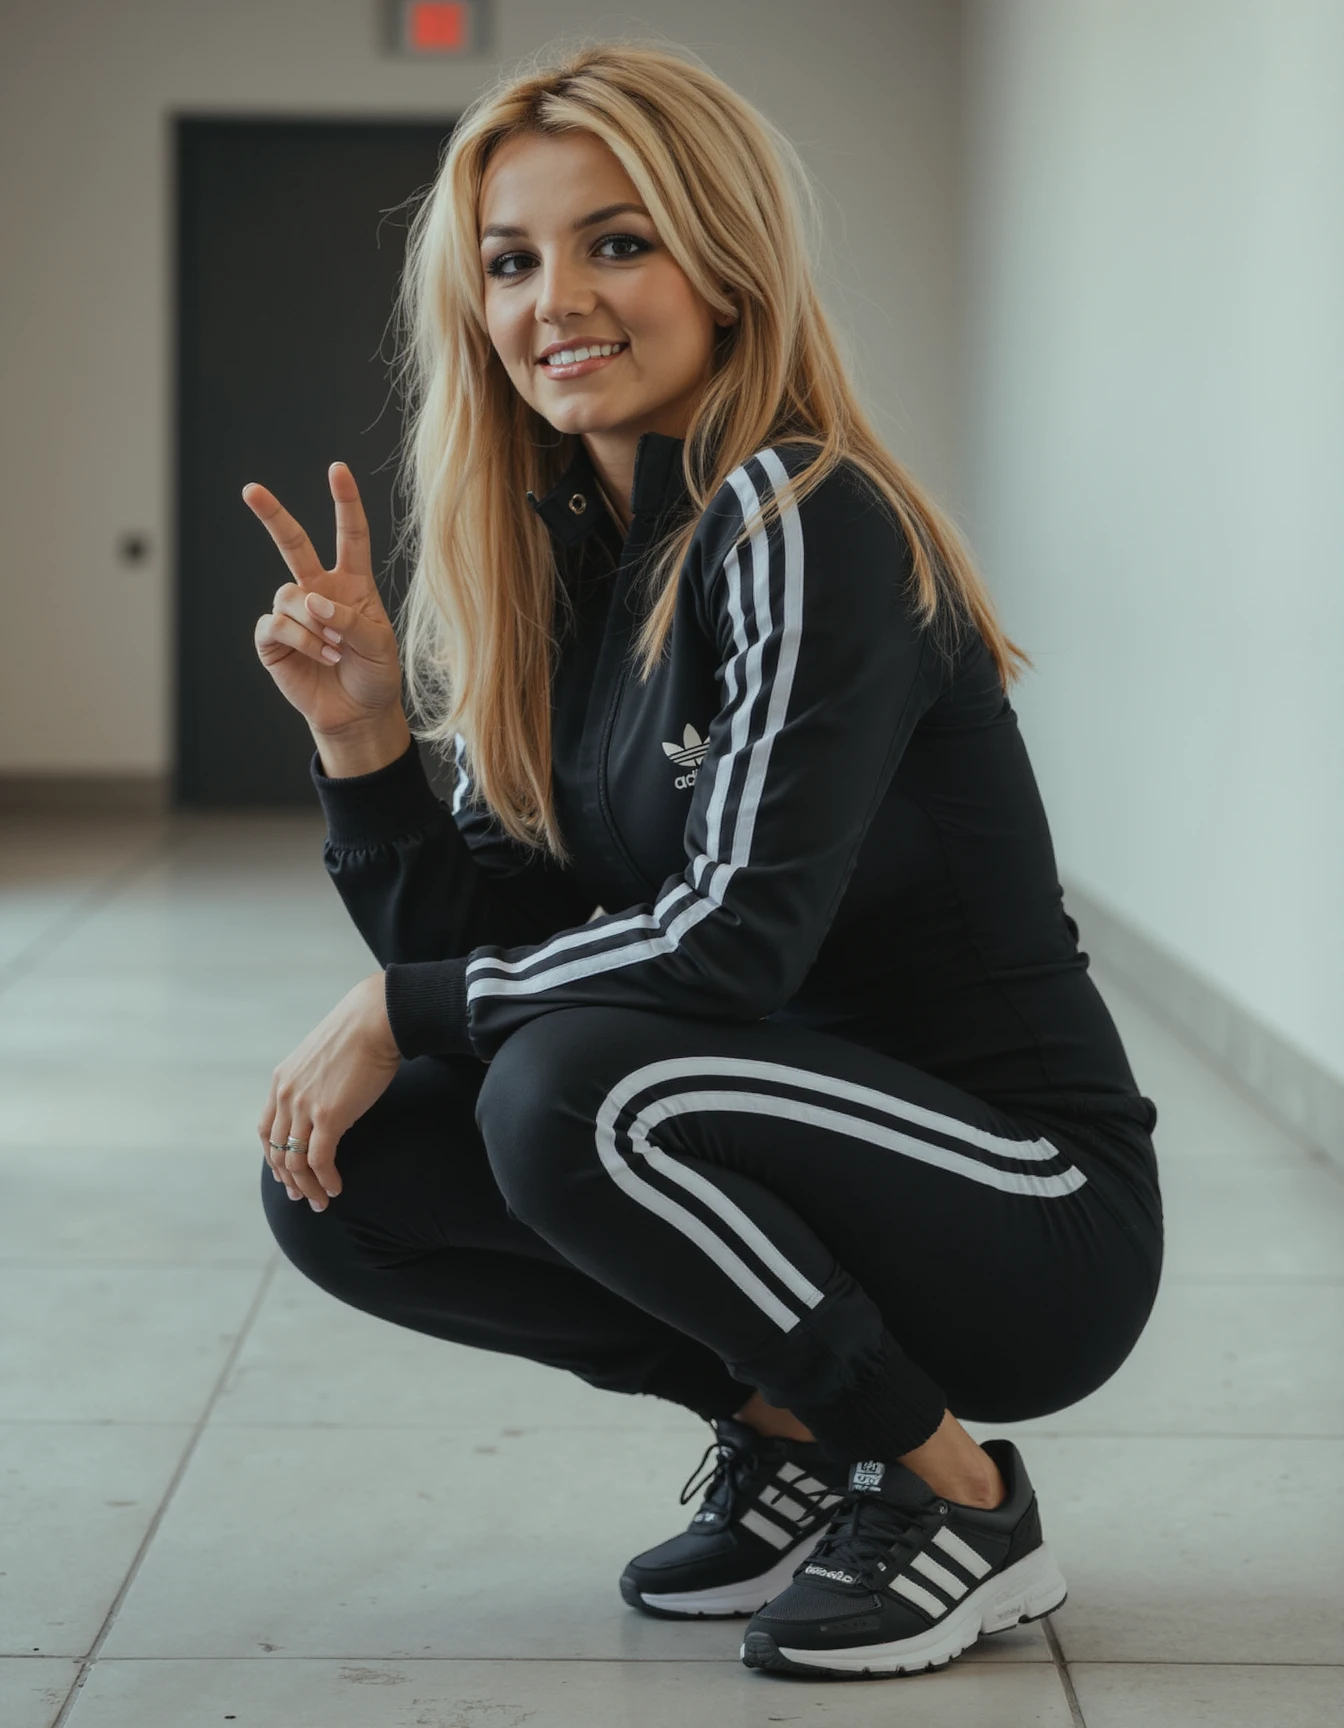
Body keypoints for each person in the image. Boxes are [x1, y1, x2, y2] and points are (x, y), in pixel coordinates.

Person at [242, 41, 1163, 1681]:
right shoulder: (576, 567)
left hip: (1032, 1207)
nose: (557, 299)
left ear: (724, 269)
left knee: (575, 1088)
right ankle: (811, 1438)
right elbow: (501, 927)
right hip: (784, 1150)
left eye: (618, 240)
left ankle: (961, 1498)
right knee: (349, 1173)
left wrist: (402, 1001)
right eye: (511, 261)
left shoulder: (801, 516)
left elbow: (727, 944)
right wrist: (365, 741)